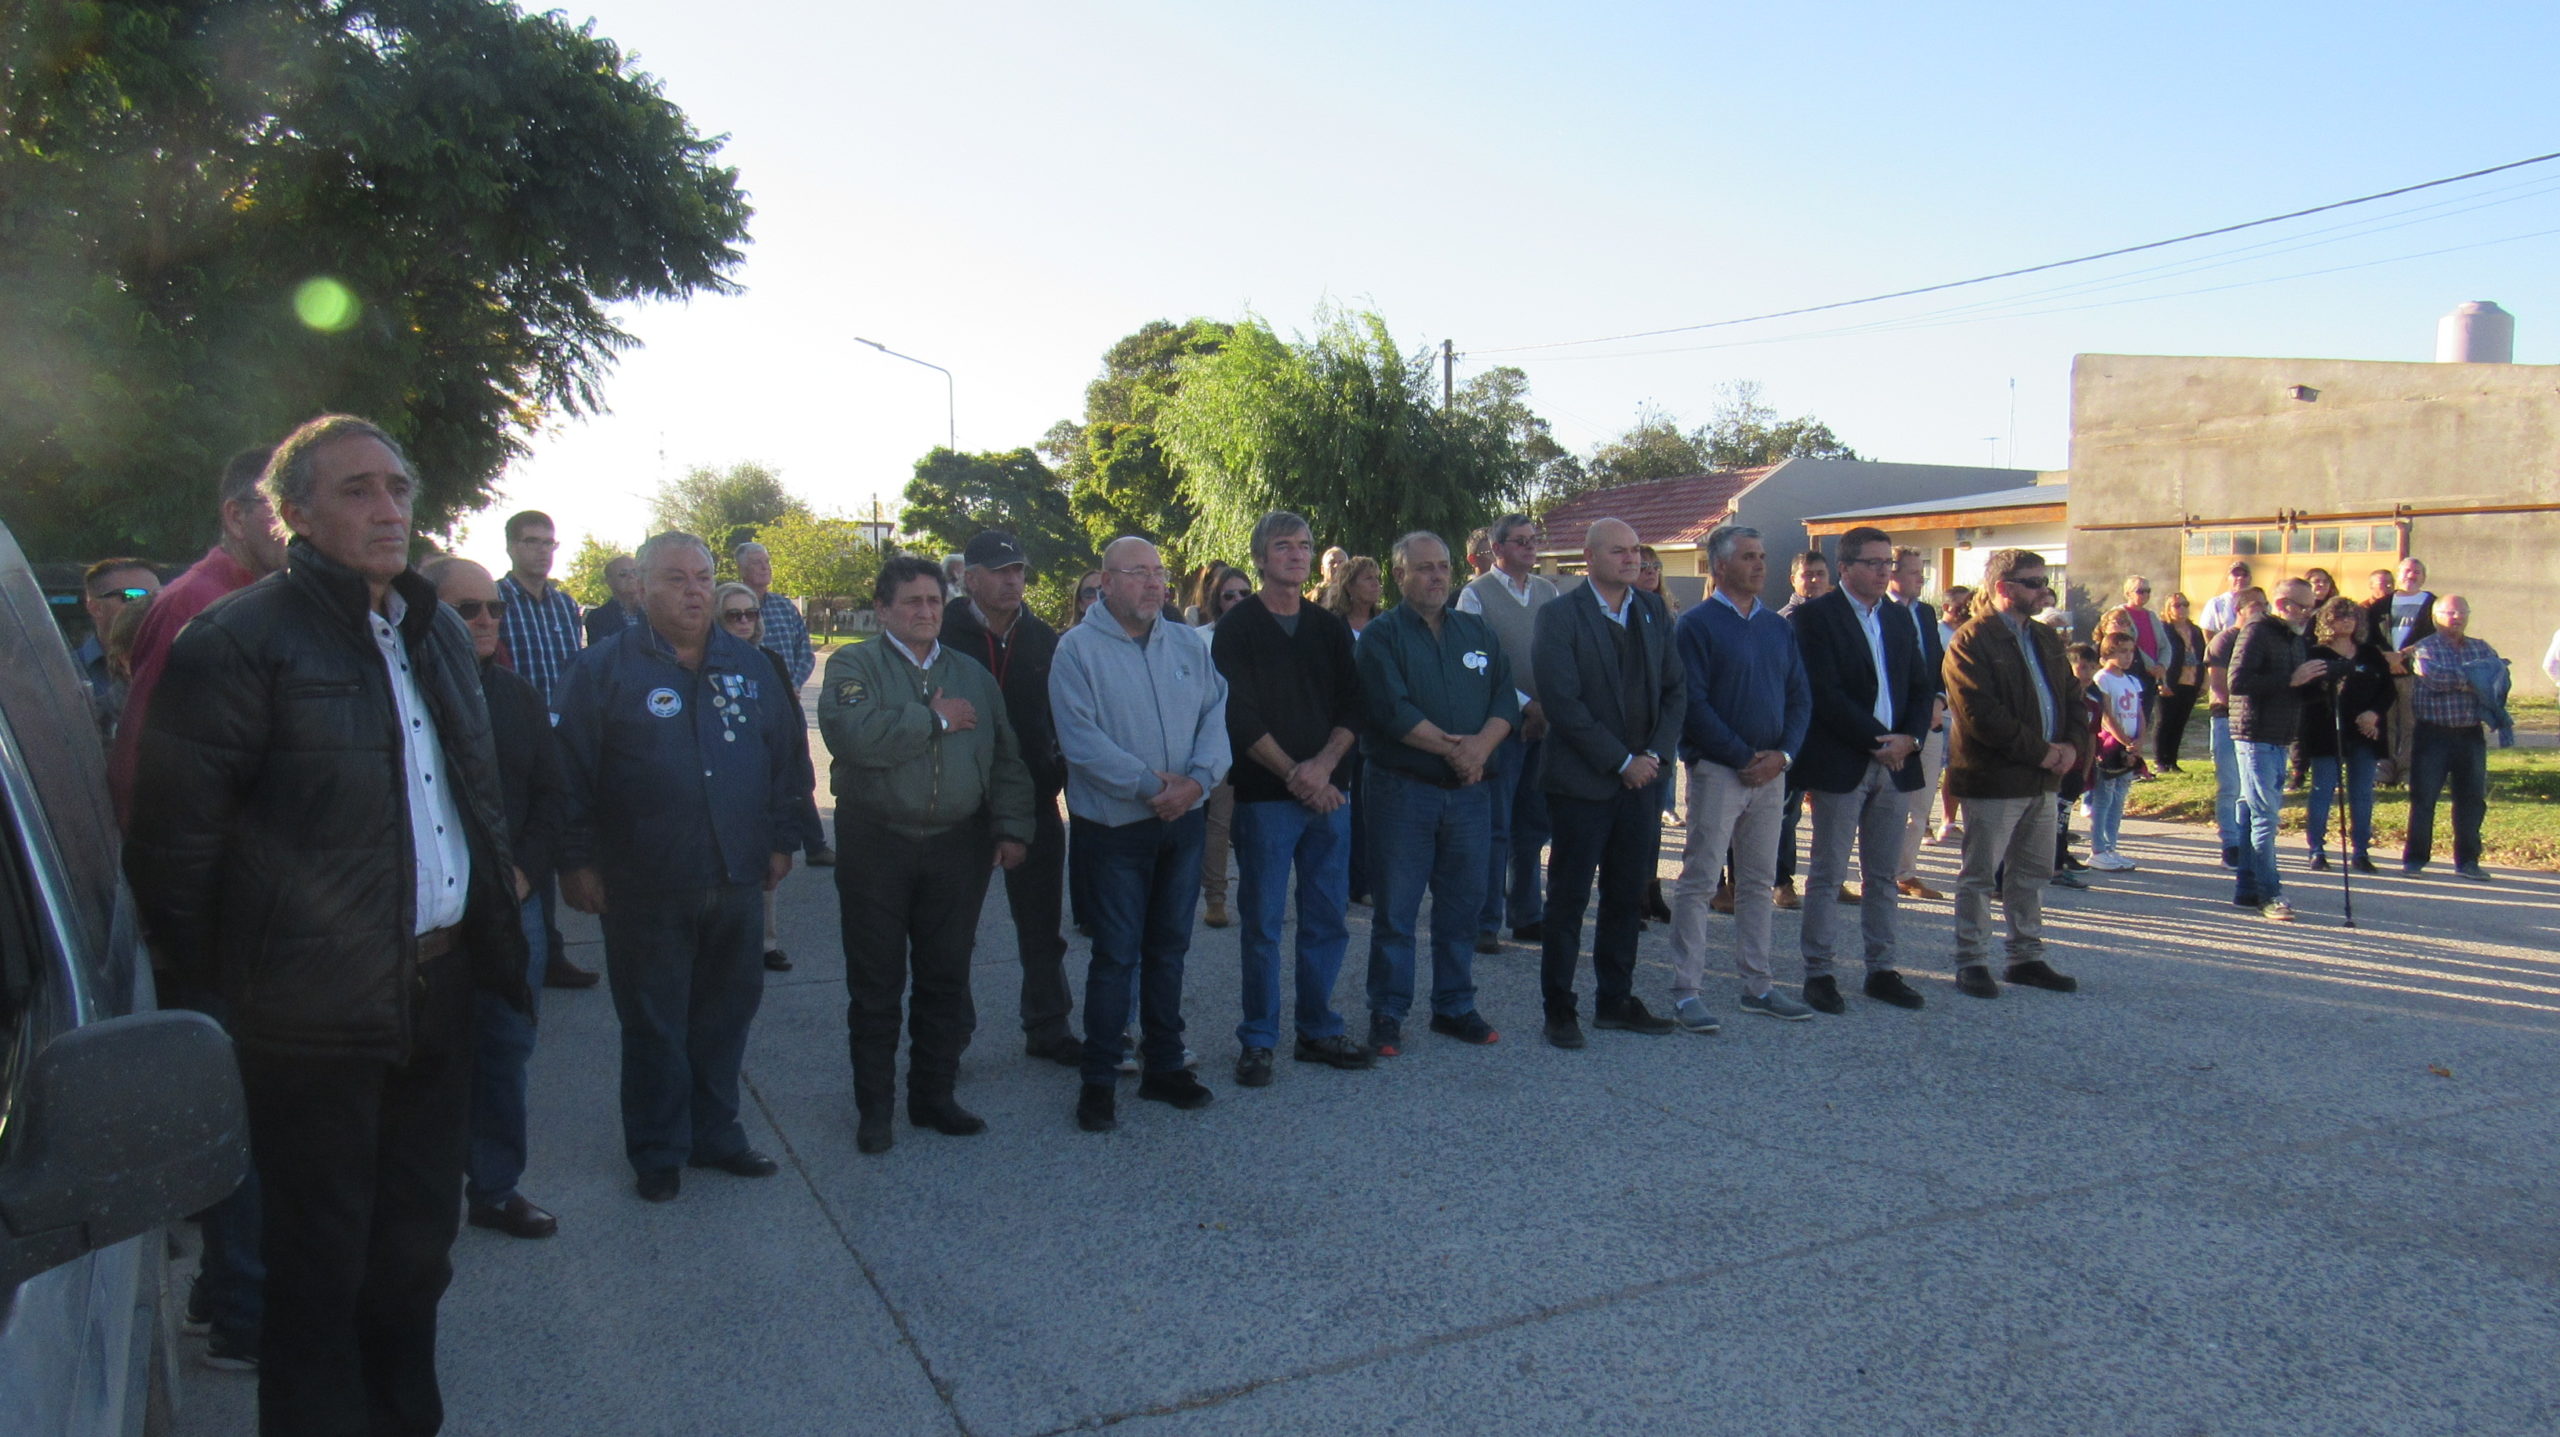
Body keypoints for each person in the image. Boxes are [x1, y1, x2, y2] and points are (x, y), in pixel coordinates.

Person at [125, 414, 533, 1431]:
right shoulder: (238, 641)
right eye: (355, 491)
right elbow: (175, 857)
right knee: (317, 1274)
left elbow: (468, 799)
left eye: (397, 488)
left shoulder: (434, 629)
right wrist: (248, 990)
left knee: (414, 1257)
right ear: (292, 514)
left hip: (438, 994)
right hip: (307, 1022)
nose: (387, 508)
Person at [553, 530, 804, 1202]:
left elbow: (786, 759)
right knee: (655, 1020)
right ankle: (658, 1148)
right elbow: (568, 775)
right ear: (641, 584)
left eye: (702, 578)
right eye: (675, 578)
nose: (693, 591)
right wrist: (576, 862)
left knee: (727, 1012)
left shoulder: (749, 666)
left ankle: (716, 1131)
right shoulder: (603, 669)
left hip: (736, 876)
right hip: (645, 880)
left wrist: (783, 839)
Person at [819, 556, 1033, 1153]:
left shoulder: (971, 675)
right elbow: (856, 738)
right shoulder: (853, 664)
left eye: (934, 602)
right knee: (876, 982)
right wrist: (933, 720)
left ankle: (934, 1096)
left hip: (955, 849)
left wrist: (1012, 827)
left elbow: (1006, 759)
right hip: (876, 845)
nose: (925, 612)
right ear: (883, 608)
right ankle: (875, 1108)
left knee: (945, 977)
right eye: (911, 602)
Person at [1052, 537, 1229, 1132]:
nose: (1154, 584)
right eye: (1138, 573)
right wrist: (1155, 785)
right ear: (1105, 582)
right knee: (1115, 955)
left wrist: (1197, 782)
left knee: (1168, 950)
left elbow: (1216, 716)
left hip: (1182, 824)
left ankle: (1164, 1068)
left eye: (1160, 573)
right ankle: (1099, 1079)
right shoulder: (1076, 652)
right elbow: (1080, 740)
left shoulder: (1186, 643)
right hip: (1117, 830)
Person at [426, 558, 567, 1243]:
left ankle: (496, 1187)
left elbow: (550, 795)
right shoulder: (404, 694)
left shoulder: (517, 698)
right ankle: (421, 1189)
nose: (485, 620)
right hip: (431, 916)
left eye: (493, 608)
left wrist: (526, 872)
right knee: (428, 1056)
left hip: (514, 905)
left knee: (507, 1045)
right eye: (466, 609)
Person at [1211, 513, 1371, 1085]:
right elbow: (1237, 714)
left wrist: (1324, 767)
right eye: (1284, 546)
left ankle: (1318, 1029)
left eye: (1305, 546)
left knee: (1327, 917)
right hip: (1264, 801)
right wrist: (1294, 774)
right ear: (1259, 557)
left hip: (1330, 798)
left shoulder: (1327, 630)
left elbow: (1354, 704)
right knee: (1262, 924)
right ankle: (1258, 1038)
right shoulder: (1239, 628)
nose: (1297, 555)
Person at [1357, 532, 1515, 1053]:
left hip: (1469, 796)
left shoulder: (1477, 632)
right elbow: (1393, 711)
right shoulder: (1381, 637)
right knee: (1397, 912)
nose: (1437, 576)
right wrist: (1458, 752)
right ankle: (1388, 1012)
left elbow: (1504, 702)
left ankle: (1454, 1006)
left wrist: (1478, 751)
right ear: (1399, 576)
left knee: (1461, 907)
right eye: (1423, 568)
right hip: (1405, 792)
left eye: (1443, 566)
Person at [1532, 518, 1685, 1047]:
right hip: (1582, 784)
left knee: (1626, 896)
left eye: (1636, 552)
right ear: (1590, 558)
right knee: (1569, 900)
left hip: (1641, 784)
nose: (1632, 560)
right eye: (1619, 552)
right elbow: (1563, 704)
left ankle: (1615, 1000)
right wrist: (1621, 761)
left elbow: (1675, 692)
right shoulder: (1559, 616)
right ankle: (1559, 1009)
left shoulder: (1651, 612)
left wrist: (1655, 756)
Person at [1664, 525, 1812, 1031]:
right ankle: (1686, 991)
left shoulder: (1777, 626)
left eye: (1762, 556)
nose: (1759, 565)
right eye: (1748, 557)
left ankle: (1759, 985)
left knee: (1756, 881)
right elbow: (1693, 704)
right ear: (1719, 566)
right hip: (1719, 773)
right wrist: (1742, 756)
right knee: (1701, 881)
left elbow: (1799, 697)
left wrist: (1783, 756)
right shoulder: (1697, 626)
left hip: (1771, 774)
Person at [941, 531, 1080, 1066]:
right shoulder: (943, 633)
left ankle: (1049, 1025)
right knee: (953, 932)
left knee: (1043, 927)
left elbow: (1065, 715)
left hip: (1035, 801)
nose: (1012, 580)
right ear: (968, 577)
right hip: (960, 805)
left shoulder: (1044, 639)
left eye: (1018, 569)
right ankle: (949, 1036)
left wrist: (1059, 768)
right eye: (999, 571)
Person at [1788, 526, 1933, 1014]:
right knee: (1828, 873)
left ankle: (1882, 969)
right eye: (1873, 563)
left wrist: (1909, 739)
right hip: (1844, 762)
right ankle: (1820, 972)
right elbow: (1824, 694)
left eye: (1887, 563)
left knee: (1883, 875)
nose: (1883, 571)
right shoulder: (1814, 618)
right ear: (1845, 567)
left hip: (1896, 764)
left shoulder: (1897, 618)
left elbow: (1919, 684)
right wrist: (1878, 742)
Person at [1941, 548, 2089, 998]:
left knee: (2032, 872)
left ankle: (2026, 957)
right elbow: (1980, 714)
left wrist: (2071, 749)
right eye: (2034, 582)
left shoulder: (2044, 638)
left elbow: (2073, 698)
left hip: (2042, 780)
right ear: (2004, 588)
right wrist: (2042, 752)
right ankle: (1972, 960)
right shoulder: (1971, 640)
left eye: (2045, 581)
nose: (2044, 590)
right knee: (1982, 874)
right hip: (1994, 778)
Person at [493, 509, 597, 990]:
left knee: (564, 830)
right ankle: (532, 951)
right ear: (511, 546)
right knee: (527, 840)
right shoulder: (494, 600)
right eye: (531, 541)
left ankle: (552, 950)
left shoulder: (563, 603)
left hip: (564, 737)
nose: (541, 551)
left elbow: (574, 668)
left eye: (549, 543)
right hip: (515, 738)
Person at [715, 582, 826, 971]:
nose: (744, 621)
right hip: (725, 776)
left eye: (751, 613)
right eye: (734, 615)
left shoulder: (770, 661)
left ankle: (766, 942)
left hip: (765, 777)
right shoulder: (708, 661)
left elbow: (786, 724)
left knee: (767, 870)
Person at [1457, 513, 1557, 948]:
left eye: (1533, 540)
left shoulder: (1548, 591)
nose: (1529, 548)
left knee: (1533, 825)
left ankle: (1527, 914)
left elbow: (1559, 653)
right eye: (1519, 542)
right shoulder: (1474, 596)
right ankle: (1485, 921)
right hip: (1500, 727)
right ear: (1496, 550)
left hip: (1546, 725)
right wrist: (1525, 707)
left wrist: (1549, 708)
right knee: (1495, 825)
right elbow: (1475, 665)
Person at [2228, 578, 2326, 921]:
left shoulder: (2293, 638)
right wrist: (2291, 679)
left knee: (2250, 811)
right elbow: (2237, 682)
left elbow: (2296, 688)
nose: (2308, 615)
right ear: (2283, 604)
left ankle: (2246, 888)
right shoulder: (2257, 631)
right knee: (2264, 817)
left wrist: (2321, 684)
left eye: (2312, 608)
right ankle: (2270, 893)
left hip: (2280, 734)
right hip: (2255, 734)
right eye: (2304, 607)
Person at [2405, 594, 2506, 881]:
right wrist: (2474, 680)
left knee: (2472, 799)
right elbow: (2434, 678)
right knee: (2424, 798)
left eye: (2462, 612)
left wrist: (2470, 680)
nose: (2457, 618)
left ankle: (2468, 861)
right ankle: (2415, 860)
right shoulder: (2425, 647)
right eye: (2450, 613)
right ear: (2436, 616)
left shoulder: (2481, 647)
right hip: (2432, 734)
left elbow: (2498, 678)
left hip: (2470, 734)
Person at [2301, 596, 2392, 873]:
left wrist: (2374, 713)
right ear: (2328, 620)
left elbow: (2387, 690)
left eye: (2352, 615)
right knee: (2323, 790)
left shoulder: (2370, 654)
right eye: (2341, 615)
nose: (2347, 620)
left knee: (2362, 792)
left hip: (2365, 731)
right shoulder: (2316, 653)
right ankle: (2316, 849)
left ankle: (2361, 850)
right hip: (2326, 730)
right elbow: (2305, 693)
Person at [1769, 549, 1833, 908]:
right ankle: (1782, 881)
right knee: (1787, 812)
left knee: (1833, 810)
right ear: (1793, 579)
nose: (1814, 580)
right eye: (1807, 574)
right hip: (1796, 729)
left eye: (1820, 574)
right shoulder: (1785, 622)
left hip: (1832, 730)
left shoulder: (1838, 619)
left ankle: (1830, 876)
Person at [1321, 553, 1385, 905]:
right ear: (1348, 586)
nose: (1376, 584)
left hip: (1377, 727)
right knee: (1340, 806)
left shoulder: (1386, 624)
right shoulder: (1332, 625)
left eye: (1377, 578)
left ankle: (1365, 881)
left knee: (1370, 809)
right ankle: (1339, 881)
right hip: (1341, 727)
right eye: (1368, 578)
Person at [1887, 547, 1950, 898]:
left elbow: (1938, 664)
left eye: (1921, 571)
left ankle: (1905, 872)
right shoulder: (1879, 611)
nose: (1921, 578)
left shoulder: (1926, 613)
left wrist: (1939, 700)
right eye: (1914, 571)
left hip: (1931, 719)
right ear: (1893, 574)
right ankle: (1876, 873)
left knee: (1921, 803)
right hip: (1895, 722)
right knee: (1885, 802)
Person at [2201, 587, 2267, 869]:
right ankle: (2230, 843)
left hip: (2259, 721)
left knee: (2252, 788)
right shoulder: (2223, 641)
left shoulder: (2264, 639)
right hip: (2227, 718)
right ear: (2239, 610)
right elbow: (2218, 686)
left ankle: (2251, 842)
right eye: (2256, 606)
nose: (2263, 610)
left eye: (2266, 605)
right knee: (2230, 785)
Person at [2371, 556, 2439, 784]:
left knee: (2411, 723)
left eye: (2417, 572)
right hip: (2384, 674)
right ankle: (2385, 767)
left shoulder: (2433, 604)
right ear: (2398, 575)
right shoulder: (2380, 606)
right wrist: (2388, 658)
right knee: (2384, 721)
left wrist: (2405, 655)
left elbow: (2436, 637)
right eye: (2407, 571)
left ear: (2424, 577)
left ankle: (2407, 769)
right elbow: (2370, 637)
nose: (2411, 575)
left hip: (2415, 674)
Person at [74, 556, 160, 731]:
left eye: (160, 596)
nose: (152, 606)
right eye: (135, 596)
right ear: (96, 608)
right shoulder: (66, 673)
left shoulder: (178, 665)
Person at [2087, 630, 2148, 871]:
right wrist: (2123, 740)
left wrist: (2140, 739)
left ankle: (2111, 846)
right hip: (2111, 746)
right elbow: (2106, 715)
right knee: (2104, 796)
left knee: (2120, 795)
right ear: (2108, 652)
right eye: (2122, 651)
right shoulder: (2103, 679)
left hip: (2130, 745)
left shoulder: (2133, 681)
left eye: (2130, 651)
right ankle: (2098, 848)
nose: (2128, 657)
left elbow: (2141, 713)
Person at [2155, 591, 2206, 772]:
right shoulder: (2163, 629)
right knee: (2165, 721)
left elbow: (2202, 656)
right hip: (2171, 680)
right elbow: (2159, 656)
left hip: (2190, 680)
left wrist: (2203, 682)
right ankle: (2161, 760)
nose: (2182, 609)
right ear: (2168, 608)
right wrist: (2161, 682)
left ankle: (2173, 761)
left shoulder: (2195, 630)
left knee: (2180, 722)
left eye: (2185, 604)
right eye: (2177, 605)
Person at [583, 553, 643, 643]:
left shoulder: (653, 612)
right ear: (609, 581)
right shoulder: (598, 618)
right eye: (623, 574)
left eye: (635, 572)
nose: (631, 577)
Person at [2198, 561, 2252, 634]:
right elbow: (2207, 630)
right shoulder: (2215, 603)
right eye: (2236, 574)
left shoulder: (2259, 603)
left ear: (2250, 579)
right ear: (2227, 578)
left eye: (2244, 575)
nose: (2240, 578)